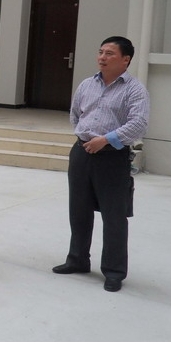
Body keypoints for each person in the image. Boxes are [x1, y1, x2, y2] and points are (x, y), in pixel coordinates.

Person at [52, 36, 149, 292]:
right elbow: (76, 114)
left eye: (109, 53)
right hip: (82, 153)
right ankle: (77, 260)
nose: (102, 57)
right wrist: (86, 138)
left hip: (112, 157)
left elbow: (139, 124)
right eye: (101, 52)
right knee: (79, 209)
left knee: (114, 215)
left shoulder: (134, 90)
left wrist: (105, 140)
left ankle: (114, 271)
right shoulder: (87, 84)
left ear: (126, 59)